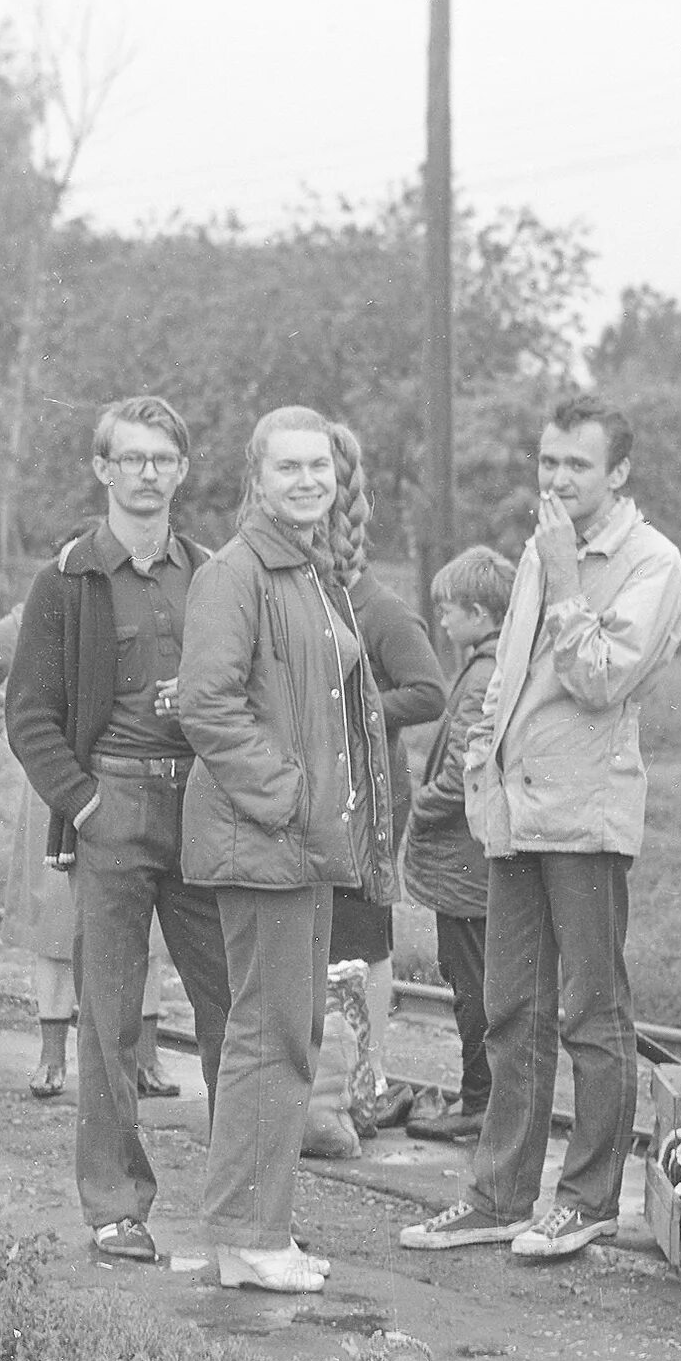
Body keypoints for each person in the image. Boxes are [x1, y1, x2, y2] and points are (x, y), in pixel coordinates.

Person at [399, 393, 681, 1262]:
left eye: (578, 465)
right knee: (510, 1004)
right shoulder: (540, 544)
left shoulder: (651, 562)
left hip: (586, 815)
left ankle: (590, 1198)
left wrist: (566, 575)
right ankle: (498, 1193)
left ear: (620, 472)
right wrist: (484, 770)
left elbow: (600, 679)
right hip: (517, 811)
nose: (558, 478)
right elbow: (509, 673)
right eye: (548, 462)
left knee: (591, 1010)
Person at [6, 396, 235, 1264]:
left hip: (203, 810)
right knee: (110, 1017)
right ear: (103, 470)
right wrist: (87, 802)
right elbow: (28, 715)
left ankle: (239, 1206)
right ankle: (116, 1206)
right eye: (130, 458)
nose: (147, 473)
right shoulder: (67, 579)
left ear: (182, 470)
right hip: (115, 807)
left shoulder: (212, 573)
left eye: (162, 459)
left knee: (228, 1011)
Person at [175, 406, 393, 1294]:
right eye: (289, 468)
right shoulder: (238, 574)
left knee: (283, 1032)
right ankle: (252, 1234)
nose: (308, 481)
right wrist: (295, 798)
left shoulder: (309, 571)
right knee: (272, 1037)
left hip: (300, 846)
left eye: (320, 468)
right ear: (256, 480)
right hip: (267, 841)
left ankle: (247, 1234)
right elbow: (207, 704)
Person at [0, 607, 180, 1102]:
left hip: (128, 781)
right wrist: (20, 734)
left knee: (145, 923)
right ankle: (51, 1057)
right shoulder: (35, 617)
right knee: (54, 923)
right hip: (54, 785)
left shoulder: (134, 610)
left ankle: (148, 1059)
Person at [325, 423, 446, 1135]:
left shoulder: (377, 605)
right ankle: (330, 1079)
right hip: (307, 796)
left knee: (364, 935)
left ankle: (368, 1079)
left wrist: (354, 713)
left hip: (368, 798)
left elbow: (428, 690)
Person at [400, 545, 514, 1143]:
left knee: (472, 987)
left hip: (465, 866)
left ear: (478, 611)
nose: (441, 620)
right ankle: (485, 1099)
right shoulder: (487, 663)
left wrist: (416, 808)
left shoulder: (482, 673)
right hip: (473, 866)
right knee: (475, 982)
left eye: (449, 610)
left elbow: (465, 766)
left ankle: (478, 1103)